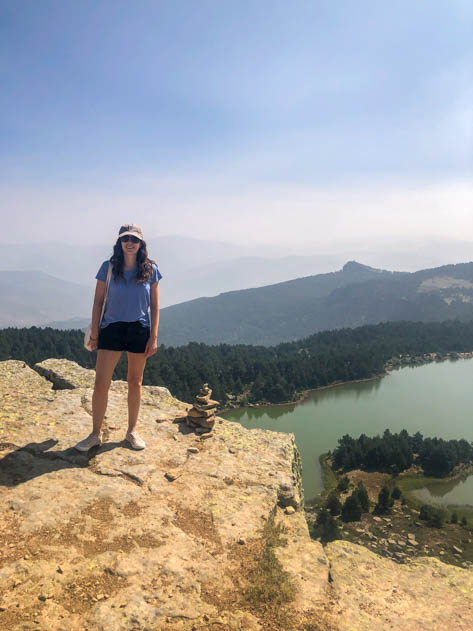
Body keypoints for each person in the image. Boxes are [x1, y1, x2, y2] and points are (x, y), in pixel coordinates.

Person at [75, 224, 162, 452]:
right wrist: (95, 331)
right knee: (101, 383)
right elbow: (97, 302)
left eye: (134, 239)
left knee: (135, 382)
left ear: (141, 243)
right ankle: (95, 434)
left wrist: (153, 336)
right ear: (120, 243)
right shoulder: (109, 267)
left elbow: (154, 306)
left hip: (139, 329)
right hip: (111, 328)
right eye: (126, 239)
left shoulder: (151, 270)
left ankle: (132, 432)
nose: (130, 243)